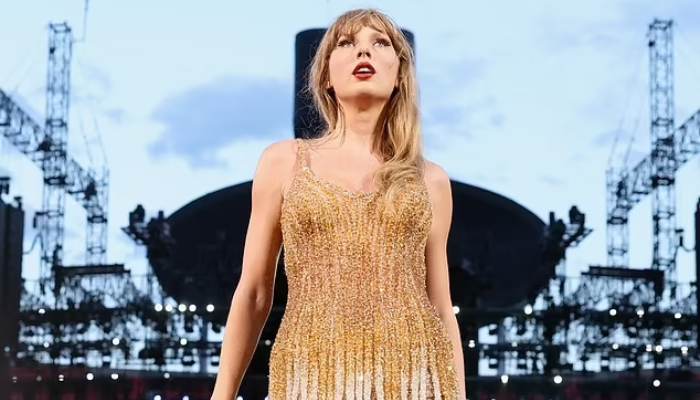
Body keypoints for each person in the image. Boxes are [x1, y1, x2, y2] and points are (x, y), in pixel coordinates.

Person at [211, 8, 466, 400]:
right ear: (326, 76)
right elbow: (255, 293)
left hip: (414, 377)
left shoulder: (430, 180)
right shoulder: (283, 162)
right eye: (347, 43)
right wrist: (221, 395)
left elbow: (441, 305)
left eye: (380, 43)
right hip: (309, 375)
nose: (364, 51)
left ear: (400, 74)